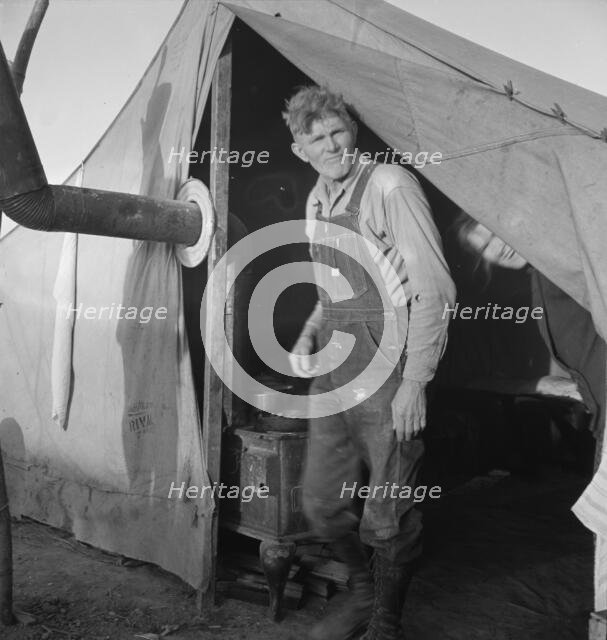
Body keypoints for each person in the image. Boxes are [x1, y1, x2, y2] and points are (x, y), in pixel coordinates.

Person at [284, 86, 455, 640]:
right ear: (299, 150)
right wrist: (309, 334)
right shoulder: (314, 201)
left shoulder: (390, 185)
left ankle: (385, 622)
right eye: (318, 139)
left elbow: (434, 288)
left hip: (390, 366)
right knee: (321, 503)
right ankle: (362, 592)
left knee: (388, 510)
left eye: (339, 132)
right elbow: (331, 286)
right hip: (337, 364)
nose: (333, 146)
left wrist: (416, 381)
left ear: (353, 130)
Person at [454, 211, 606, 443]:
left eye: (495, 234)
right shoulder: (530, 289)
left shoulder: (561, 268)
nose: (498, 248)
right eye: (485, 248)